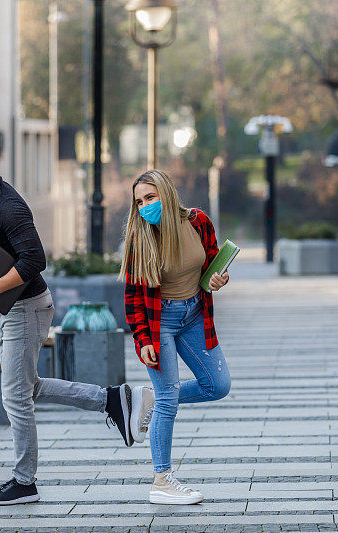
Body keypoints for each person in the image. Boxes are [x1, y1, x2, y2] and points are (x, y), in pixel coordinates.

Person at [0, 132, 154, 506]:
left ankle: (23, 481)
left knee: (15, 395)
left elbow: (34, 261)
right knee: (28, 387)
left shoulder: (10, 206)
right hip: (10, 305)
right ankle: (113, 400)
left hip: (26, 307)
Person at [119, 169, 231, 505]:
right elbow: (132, 297)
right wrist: (143, 340)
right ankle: (162, 481)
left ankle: (149, 399)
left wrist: (218, 278)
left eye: (150, 198)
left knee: (217, 385)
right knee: (169, 397)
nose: (144, 206)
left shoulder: (198, 222)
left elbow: (211, 265)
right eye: (139, 201)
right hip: (159, 322)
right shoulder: (141, 238)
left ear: (167, 194)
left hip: (196, 314)